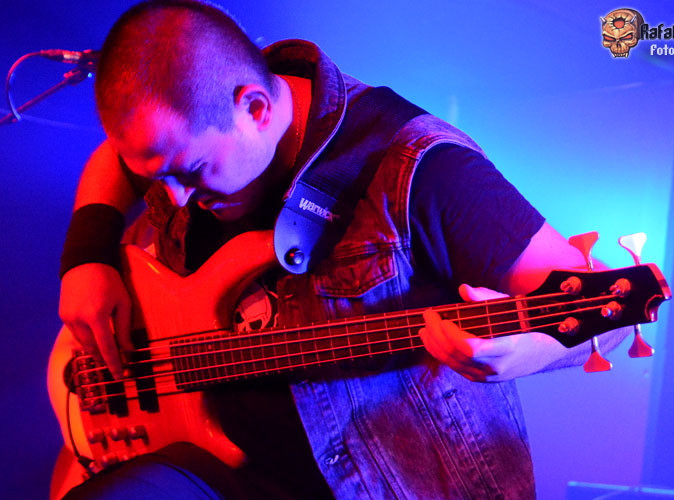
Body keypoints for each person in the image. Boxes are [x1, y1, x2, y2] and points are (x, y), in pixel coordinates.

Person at [56, 1, 629, 499]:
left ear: (255, 110)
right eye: (157, 177)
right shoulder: (198, 110)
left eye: (193, 170)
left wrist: (525, 352)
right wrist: (86, 256)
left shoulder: (423, 169)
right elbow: (120, 159)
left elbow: (606, 313)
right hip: (217, 469)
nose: (175, 196)